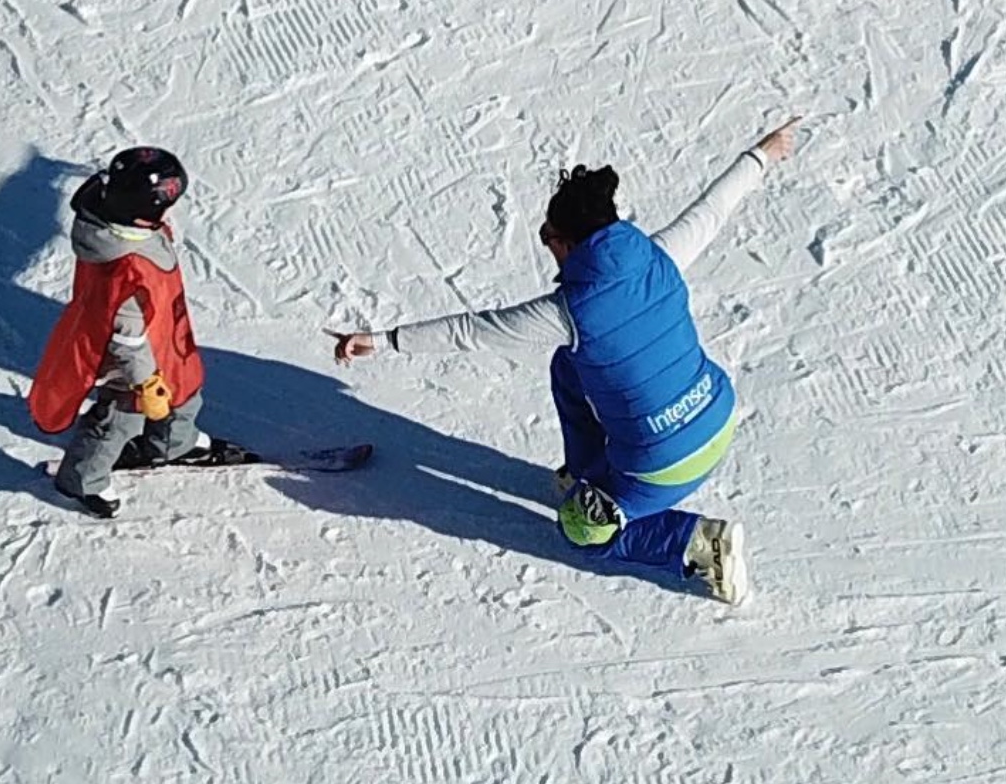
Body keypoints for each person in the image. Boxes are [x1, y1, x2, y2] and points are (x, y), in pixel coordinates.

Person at [333, 120, 801, 605]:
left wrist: (383, 340)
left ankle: (699, 543)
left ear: (569, 243)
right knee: (569, 365)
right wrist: (762, 154)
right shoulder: (660, 255)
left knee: (583, 531)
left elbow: (471, 332)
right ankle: (587, 477)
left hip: (661, 468)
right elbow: (715, 207)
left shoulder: (572, 311)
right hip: (717, 417)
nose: (547, 246)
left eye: (547, 236)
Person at [30, 147, 208, 517]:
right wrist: (145, 383)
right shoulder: (124, 269)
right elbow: (126, 341)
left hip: (165, 334)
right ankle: (81, 479)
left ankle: (173, 445)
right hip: (134, 361)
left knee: (186, 388)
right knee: (121, 417)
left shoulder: (116, 219)